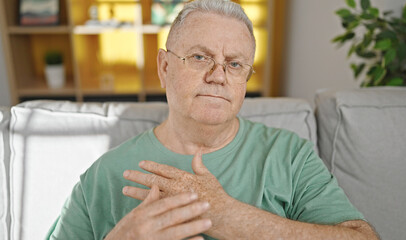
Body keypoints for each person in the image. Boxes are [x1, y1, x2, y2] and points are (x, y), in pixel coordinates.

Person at [47, 0, 379, 239]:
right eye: (199, 57)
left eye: (234, 64)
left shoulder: (291, 155)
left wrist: (227, 216)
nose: (217, 76)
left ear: (245, 78)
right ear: (164, 67)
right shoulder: (104, 174)